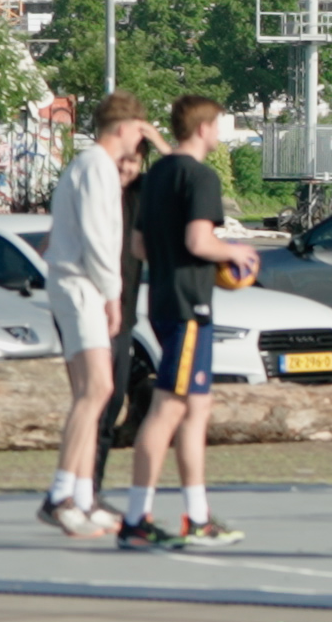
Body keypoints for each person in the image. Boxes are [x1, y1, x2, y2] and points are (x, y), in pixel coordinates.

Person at [121, 95, 256, 551]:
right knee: (169, 409)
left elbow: (139, 246)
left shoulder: (156, 174)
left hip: (162, 298)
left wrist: (173, 258)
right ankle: (136, 517)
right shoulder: (199, 176)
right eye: (217, 125)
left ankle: (196, 515)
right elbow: (200, 240)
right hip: (188, 307)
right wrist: (234, 251)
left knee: (197, 409)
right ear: (203, 128)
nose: (219, 134)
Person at [37, 92, 148, 539]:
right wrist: (112, 294)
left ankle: (83, 496)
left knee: (91, 391)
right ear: (122, 128)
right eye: (139, 129)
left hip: (74, 284)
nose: (141, 138)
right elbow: (100, 238)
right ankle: (60, 495)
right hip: (81, 285)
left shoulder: (84, 165)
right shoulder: (98, 167)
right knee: (98, 388)